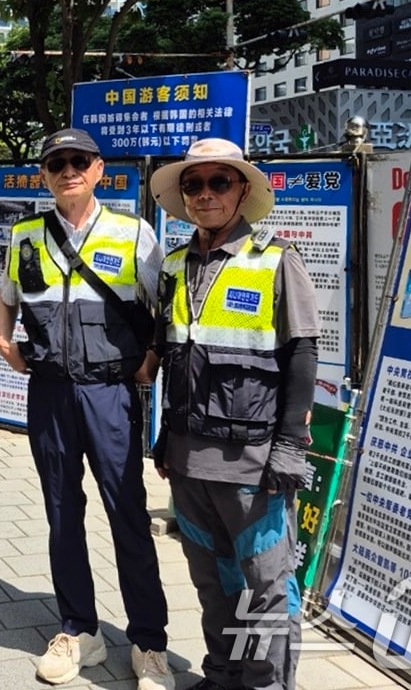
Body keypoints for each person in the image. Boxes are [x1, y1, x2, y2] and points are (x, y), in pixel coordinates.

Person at [0, 128, 173, 690]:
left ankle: (148, 641)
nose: (68, 170)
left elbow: (165, 306)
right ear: (44, 176)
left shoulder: (132, 232)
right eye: (56, 163)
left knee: (127, 514)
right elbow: (6, 298)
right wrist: (3, 342)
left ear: (99, 170)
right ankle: (78, 630)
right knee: (61, 513)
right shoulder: (25, 235)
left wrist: (151, 361)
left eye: (79, 161)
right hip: (48, 392)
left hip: (110, 394)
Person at [149, 137, 319, 690]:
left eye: (219, 181)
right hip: (187, 458)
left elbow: (302, 355)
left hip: (252, 462)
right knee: (212, 580)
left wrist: (290, 445)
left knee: (265, 587)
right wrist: (163, 440)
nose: (205, 194)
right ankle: (223, 675)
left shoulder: (274, 259)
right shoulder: (175, 265)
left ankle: (264, 684)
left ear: (242, 190)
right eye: (193, 185)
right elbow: (175, 357)